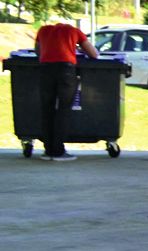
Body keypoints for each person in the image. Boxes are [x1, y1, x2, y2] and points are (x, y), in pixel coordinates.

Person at [33, 21, 99, 161]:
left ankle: (48, 149)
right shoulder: (73, 31)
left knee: (47, 108)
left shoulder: (43, 30)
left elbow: (38, 51)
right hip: (66, 71)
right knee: (64, 109)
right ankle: (58, 150)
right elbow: (94, 54)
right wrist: (77, 50)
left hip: (45, 70)